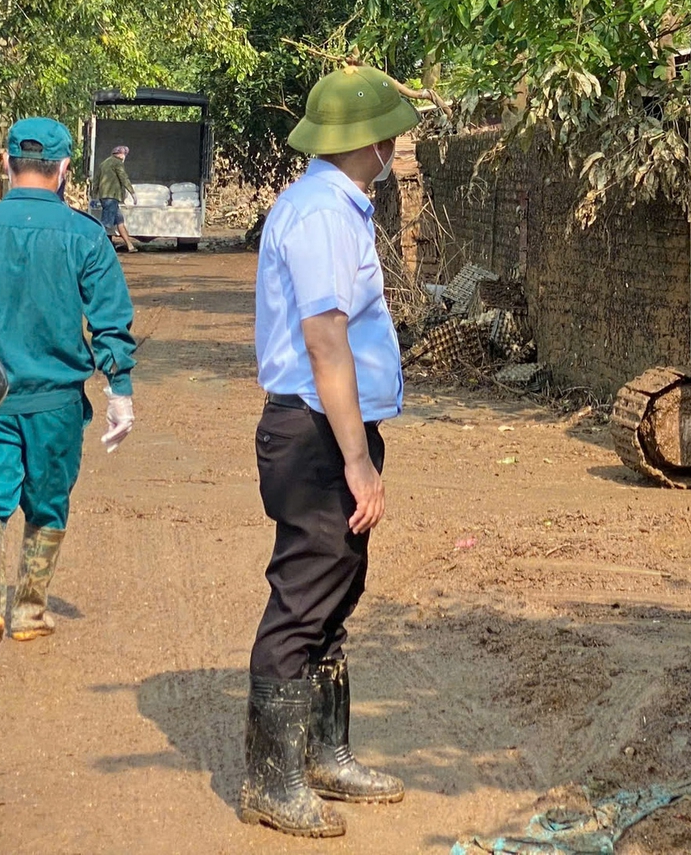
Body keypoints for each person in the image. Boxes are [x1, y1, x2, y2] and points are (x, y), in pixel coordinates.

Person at [240, 65, 417, 836]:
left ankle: (322, 754)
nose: (395, 149)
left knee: (335, 592)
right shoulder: (320, 214)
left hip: (329, 427)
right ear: (370, 143)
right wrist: (356, 459)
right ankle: (271, 780)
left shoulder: (339, 205)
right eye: (391, 140)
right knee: (303, 599)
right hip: (315, 432)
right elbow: (325, 341)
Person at [0, 117, 138, 641]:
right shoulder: (86, 236)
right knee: (49, 502)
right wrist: (119, 391)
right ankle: (30, 610)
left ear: (5, 163)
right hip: (56, 404)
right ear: (64, 170)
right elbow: (110, 319)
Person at [94, 143, 134, 252]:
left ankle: (130, 246)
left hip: (104, 197)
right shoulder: (117, 163)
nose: (125, 157)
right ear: (121, 155)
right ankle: (98, 246)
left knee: (120, 221)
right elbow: (123, 178)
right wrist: (132, 192)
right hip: (112, 197)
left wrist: (94, 195)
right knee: (106, 223)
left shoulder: (103, 163)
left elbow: (96, 181)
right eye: (125, 154)